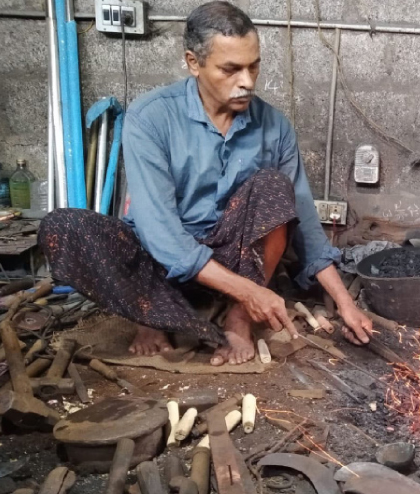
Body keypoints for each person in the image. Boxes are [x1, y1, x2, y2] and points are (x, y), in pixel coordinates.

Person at [38, 1, 372, 366]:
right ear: (193, 63)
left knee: (275, 187)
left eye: (253, 66)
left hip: (231, 257)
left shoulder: (274, 127)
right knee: (64, 226)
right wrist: (252, 291)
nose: (246, 81)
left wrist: (346, 304)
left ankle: (238, 317)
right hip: (161, 261)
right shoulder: (151, 118)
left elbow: (305, 222)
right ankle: (151, 314)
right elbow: (160, 233)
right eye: (230, 69)